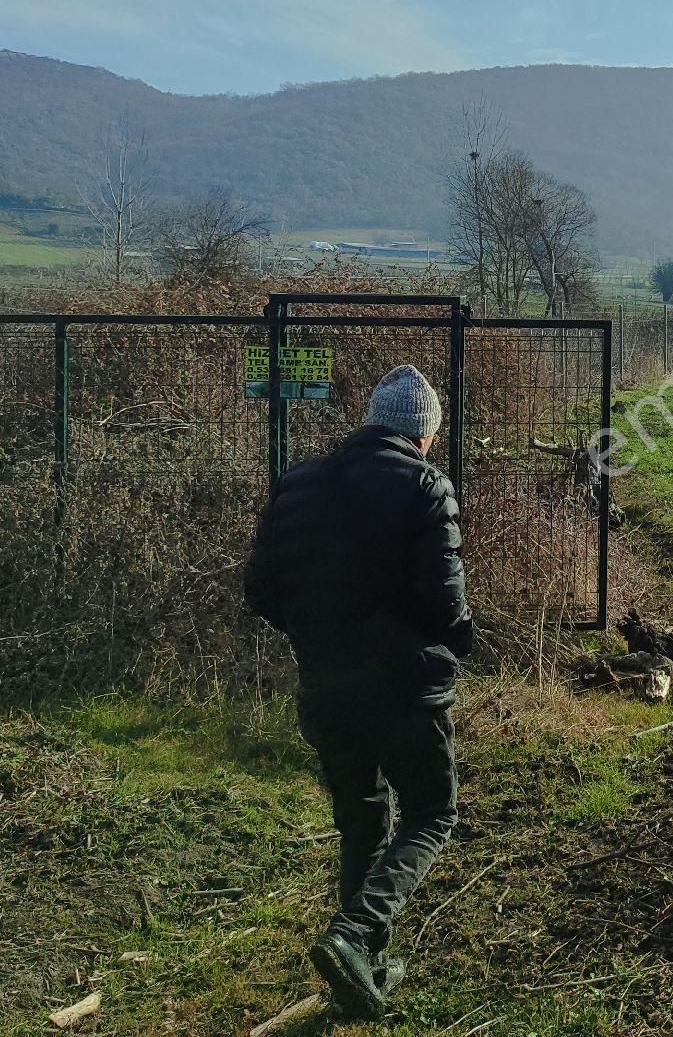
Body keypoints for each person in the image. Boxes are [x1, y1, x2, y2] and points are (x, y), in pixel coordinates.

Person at [244, 363, 471, 1019]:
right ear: (422, 434)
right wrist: (457, 643)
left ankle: (361, 969)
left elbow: (259, 590)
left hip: (326, 688)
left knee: (363, 819)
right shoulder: (426, 485)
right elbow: (445, 605)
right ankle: (352, 935)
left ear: (371, 419)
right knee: (431, 813)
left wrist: (321, 637)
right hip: (404, 691)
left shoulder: (299, 484)